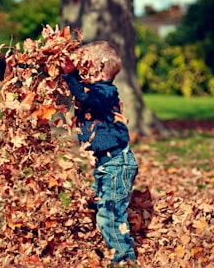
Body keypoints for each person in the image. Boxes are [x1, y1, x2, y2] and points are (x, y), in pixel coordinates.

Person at [60, 40, 139, 265]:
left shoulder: (105, 92)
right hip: (106, 164)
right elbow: (80, 93)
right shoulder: (95, 91)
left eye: (84, 66)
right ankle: (105, 243)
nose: (80, 71)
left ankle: (125, 257)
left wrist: (70, 75)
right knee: (97, 204)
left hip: (117, 164)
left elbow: (85, 95)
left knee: (111, 214)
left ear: (96, 67)